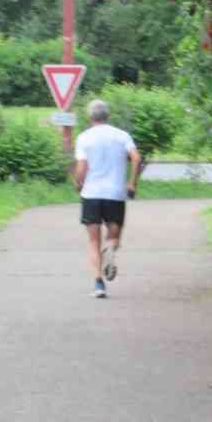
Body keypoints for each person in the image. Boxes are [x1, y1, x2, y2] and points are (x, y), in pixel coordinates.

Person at [74, 99, 142, 298]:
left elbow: (81, 167)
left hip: (92, 195)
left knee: (93, 241)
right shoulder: (122, 136)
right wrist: (132, 183)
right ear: (108, 116)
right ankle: (110, 249)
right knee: (113, 237)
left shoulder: (84, 138)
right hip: (115, 195)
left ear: (90, 117)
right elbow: (136, 158)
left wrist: (78, 183)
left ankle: (98, 284)